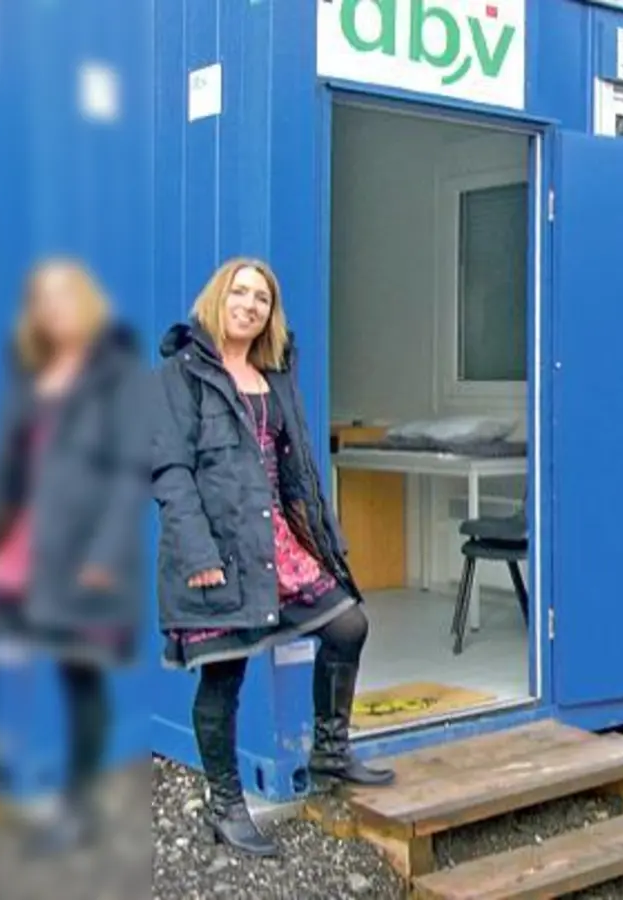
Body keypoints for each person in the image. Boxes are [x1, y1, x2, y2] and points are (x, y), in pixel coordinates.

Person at [151, 257, 394, 858]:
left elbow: (297, 465)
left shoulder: (275, 371)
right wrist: (197, 552)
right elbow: (170, 471)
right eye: (241, 292)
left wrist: (324, 535)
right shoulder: (181, 373)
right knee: (224, 671)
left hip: (278, 542)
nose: (250, 305)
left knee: (347, 624)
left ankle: (331, 752)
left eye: (262, 298)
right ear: (218, 298)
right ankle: (226, 807)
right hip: (219, 547)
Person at [0, 259, 146, 854]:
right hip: (23, 540)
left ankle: (80, 806)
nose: (53, 310)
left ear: (85, 301)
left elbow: (132, 473)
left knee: (81, 670)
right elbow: (6, 467)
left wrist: (104, 555)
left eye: (62, 298)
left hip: (82, 547)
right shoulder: (34, 374)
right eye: (41, 301)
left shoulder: (118, 373)